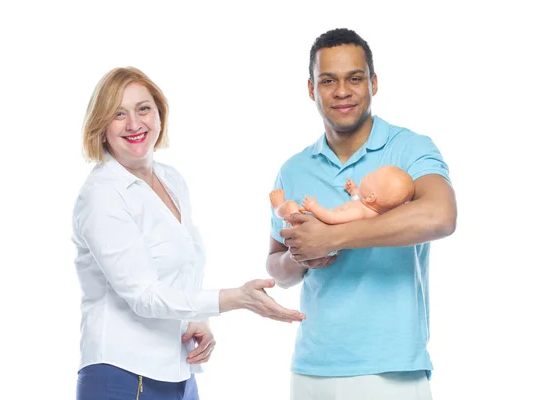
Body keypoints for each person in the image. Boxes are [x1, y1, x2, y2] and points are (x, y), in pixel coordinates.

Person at [72, 66, 305, 400]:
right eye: (118, 114)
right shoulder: (102, 195)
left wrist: (199, 319)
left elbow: (179, 273)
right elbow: (145, 295)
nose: (134, 124)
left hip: (178, 374)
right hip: (122, 373)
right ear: (101, 127)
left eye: (143, 109)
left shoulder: (171, 180)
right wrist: (236, 298)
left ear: (159, 113)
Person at [266, 28, 457, 400]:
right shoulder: (292, 170)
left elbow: (441, 215)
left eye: (354, 78)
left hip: (392, 370)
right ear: (311, 89)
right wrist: (300, 255)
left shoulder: (409, 149)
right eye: (328, 80)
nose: (342, 91)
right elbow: (277, 268)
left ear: (373, 82)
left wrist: (333, 236)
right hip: (312, 369)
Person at [270, 165, 415, 225]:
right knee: (297, 212)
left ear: (371, 197)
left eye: (372, 176)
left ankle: (278, 208)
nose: (369, 173)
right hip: (319, 230)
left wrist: (314, 207)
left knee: (290, 206)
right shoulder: (368, 211)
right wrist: (355, 192)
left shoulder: (358, 212)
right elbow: (359, 203)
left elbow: (333, 218)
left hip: (316, 232)